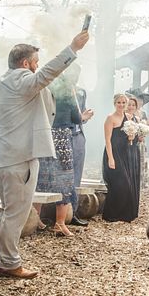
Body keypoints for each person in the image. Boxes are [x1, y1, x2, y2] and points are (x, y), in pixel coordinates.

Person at [0, 31, 89, 279]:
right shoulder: (22, 82)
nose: (37, 67)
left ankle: (0, 257)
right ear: (25, 63)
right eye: (35, 62)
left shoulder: (0, 83)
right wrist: (72, 48)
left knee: (7, 210)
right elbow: (46, 75)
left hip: (3, 156)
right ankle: (10, 263)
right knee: (16, 213)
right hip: (20, 158)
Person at [34, 75, 83, 237]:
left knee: (42, 177)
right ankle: (59, 224)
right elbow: (77, 118)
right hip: (61, 139)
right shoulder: (67, 93)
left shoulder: (43, 90)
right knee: (64, 179)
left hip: (44, 137)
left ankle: (36, 220)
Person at [102, 94, 141, 222]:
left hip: (125, 154)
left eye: (124, 102)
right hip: (114, 153)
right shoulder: (110, 118)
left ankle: (125, 214)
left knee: (128, 184)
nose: (121, 105)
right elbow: (107, 140)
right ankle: (111, 214)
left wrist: (131, 137)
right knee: (120, 184)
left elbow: (132, 136)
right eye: (119, 102)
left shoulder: (129, 118)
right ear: (115, 103)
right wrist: (110, 158)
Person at [64, 63, 93, 227]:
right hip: (64, 136)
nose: (74, 76)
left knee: (77, 175)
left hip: (79, 136)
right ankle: (60, 214)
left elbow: (81, 115)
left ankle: (72, 212)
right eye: (72, 73)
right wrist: (81, 117)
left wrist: (85, 117)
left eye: (77, 73)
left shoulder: (81, 92)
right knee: (64, 174)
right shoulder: (60, 92)